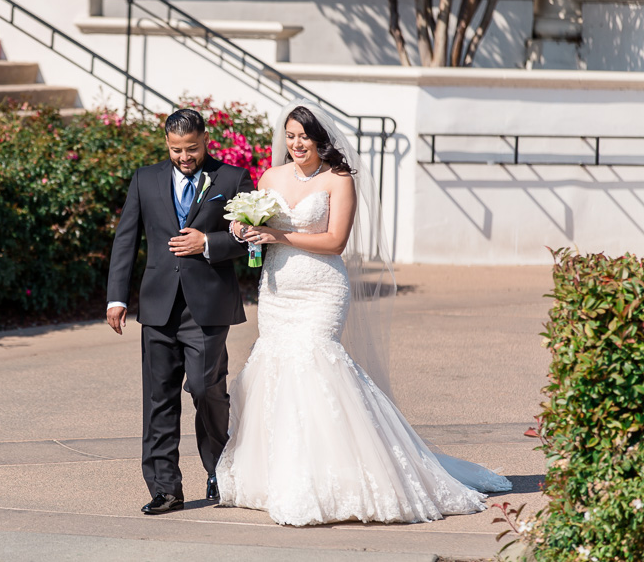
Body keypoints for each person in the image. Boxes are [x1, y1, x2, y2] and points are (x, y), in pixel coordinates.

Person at [216, 99, 512, 526]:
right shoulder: (271, 176)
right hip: (279, 289)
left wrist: (277, 234)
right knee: (276, 368)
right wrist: (243, 228)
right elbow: (256, 228)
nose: (297, 144)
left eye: (304, 137)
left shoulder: (339, 179)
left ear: (320, 139)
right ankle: (281, 474)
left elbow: (335, 241)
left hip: (321, 289)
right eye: (291, 136)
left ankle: (345, 476)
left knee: (317, 364)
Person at [106, 108, 255, 515]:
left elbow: (250, 237)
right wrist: (117, 297)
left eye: (191, 148)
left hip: (208, 305)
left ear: (206, 139)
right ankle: (165, 488)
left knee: (206, 389)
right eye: (176, 150)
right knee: (159, 398)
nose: (184, 157)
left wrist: (207, 243)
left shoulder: (232, 179)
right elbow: (125, 239)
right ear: (166, 144)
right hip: (158, 305)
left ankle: (220, 471)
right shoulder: (145, 179)